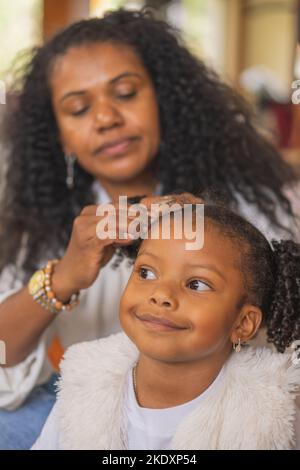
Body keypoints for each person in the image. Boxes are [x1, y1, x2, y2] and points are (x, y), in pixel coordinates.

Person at [0, 8, 299, 449]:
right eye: (79, 108)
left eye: (124, 93)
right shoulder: (39, 221)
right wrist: (65, 275)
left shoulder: (255, 205)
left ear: (163, 99)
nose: (105, 118)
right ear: (58, 135)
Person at [32, 202, 300, 450]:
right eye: (146, 272)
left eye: (196, 284)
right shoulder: (86, 380)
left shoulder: (269, 413)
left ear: (243, 323)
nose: (161, 294)